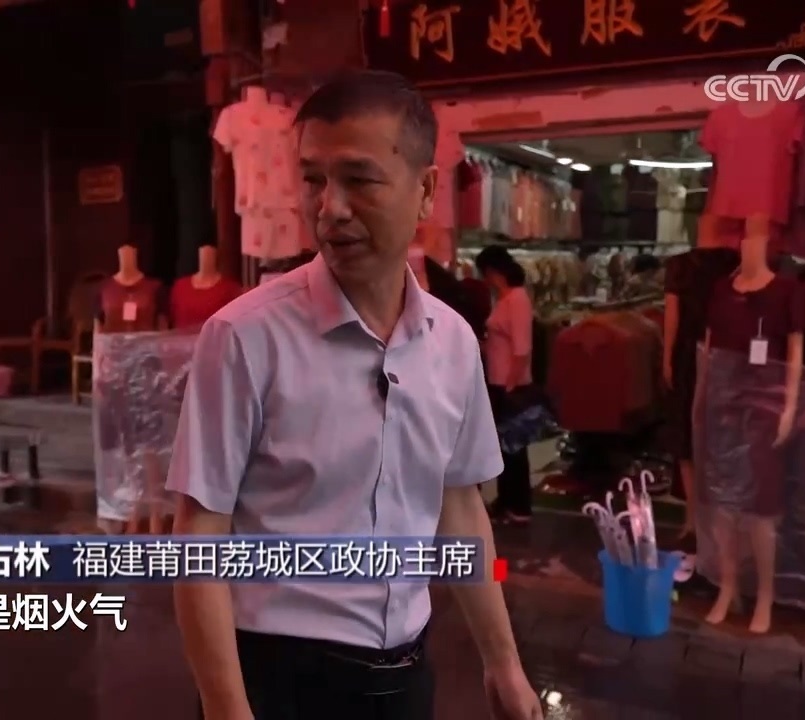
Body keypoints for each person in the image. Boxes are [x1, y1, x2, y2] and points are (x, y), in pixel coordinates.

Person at [167, 70, 544, 720]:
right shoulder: (244, 337)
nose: (330, 207)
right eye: (313, 179)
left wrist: (504, 664)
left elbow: (459, 506)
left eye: (359, 180)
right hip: (276, 680)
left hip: (405, 678)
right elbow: (199, 533)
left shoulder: (453, 343)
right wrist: (228, 710)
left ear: (425, 191)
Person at [474, 245, 535, 524]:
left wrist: (511, 385)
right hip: (500, 382)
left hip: (511, 384)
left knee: (514, 448)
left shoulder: (517, 300)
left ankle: (518, 506)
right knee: (505, 448)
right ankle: (507, 500)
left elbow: (522, 349)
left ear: (493, 271)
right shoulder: (505, 299)